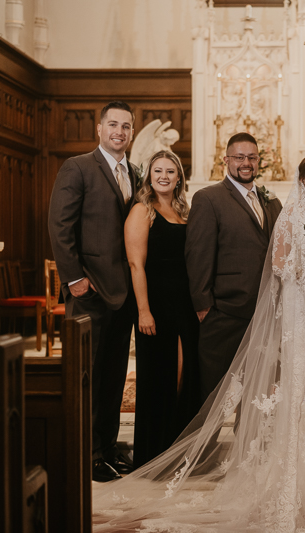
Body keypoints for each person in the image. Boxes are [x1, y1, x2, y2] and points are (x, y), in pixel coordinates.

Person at [91, 153, 305, 533]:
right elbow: (280, 265)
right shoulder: (290, 213)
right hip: (300, 310)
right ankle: (296, 462)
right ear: (303, 178)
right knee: (298, 382)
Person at [48, 100, 138, 482]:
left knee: (114, 375)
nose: (119, 131)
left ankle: (107, 448)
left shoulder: (134, 172)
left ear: (132, 132)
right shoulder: (79, 167)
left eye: (126, 126)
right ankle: (86, 454)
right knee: (88, 376)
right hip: (90, 293)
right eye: (113, 125)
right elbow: (60, 226)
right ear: (99, 129)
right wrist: (74, 280)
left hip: (125, 294)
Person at [185, 132, 283, 403]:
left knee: (258, 396)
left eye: (251, 157)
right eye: (239, 157)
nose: (246, 163)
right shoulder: (209, 198)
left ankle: (248, 446)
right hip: (224, 313)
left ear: (259, 160)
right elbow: (198, 254)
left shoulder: (272, 201)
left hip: (264, 313)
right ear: (226, 160)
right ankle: (205, 447)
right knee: (214, 395)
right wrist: (204, 307)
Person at [124, 150, 201, 468]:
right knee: (160, 378)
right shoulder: (142, 210)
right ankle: (154, 453)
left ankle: (180, 451)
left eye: (171, 171)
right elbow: (135, 263)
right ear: (149, 175)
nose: (164, 176)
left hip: (185, 301)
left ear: (179, 177)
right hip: (155, 302)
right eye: (158, 170)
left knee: (188, 374)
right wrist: (143, 310)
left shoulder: (184, 209)